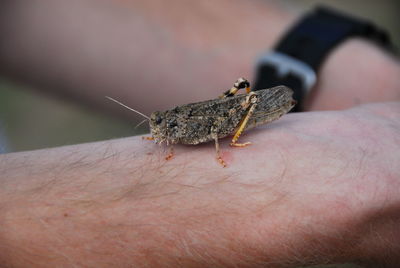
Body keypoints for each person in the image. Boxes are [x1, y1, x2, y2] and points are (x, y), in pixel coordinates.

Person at [0, 0, 399, 267]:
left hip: (232, 113)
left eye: (161, 125)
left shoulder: (186, 129)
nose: (158, 130)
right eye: (157, 128)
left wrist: (344, 66)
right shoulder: (172, 132)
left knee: (224, 116)